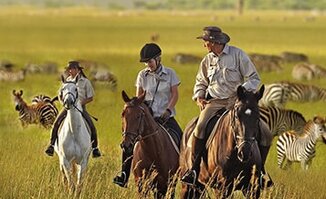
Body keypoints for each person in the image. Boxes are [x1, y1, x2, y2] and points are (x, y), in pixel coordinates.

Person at [180, 26, 273, 187]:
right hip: (214, 102)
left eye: (206, 42)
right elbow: (200, 82)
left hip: (236, 102)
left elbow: (254, 78)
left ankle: (261, 172)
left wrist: (242, 92)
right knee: (200, 127)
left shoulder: (238, 55)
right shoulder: (207, 60)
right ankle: (193, 170)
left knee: (265, 132)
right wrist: (199, 96)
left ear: (215, 42)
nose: (204, 45)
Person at [113, 43, 183, 187]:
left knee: (182, 140)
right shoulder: (142, 75)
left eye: (150, 61)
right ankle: (124, 174)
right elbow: (139, 97)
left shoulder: (170, 74)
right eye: (145, 62)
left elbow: (175, 95)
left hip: (165, 117)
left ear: (158, 59)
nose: (147, 65)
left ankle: (185, 172)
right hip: (147, 118)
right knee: (129, 141)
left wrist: (168, 110)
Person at [45, 61, 102, 158]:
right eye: (69, 69)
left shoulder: (85, 82)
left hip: (81, 108)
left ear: (77, 70)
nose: (70, 71)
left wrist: (80, 103)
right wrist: (62, 102)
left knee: (92, 126)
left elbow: (90, 97)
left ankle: (95, 148)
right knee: (56, 123)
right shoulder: (67, 80)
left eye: (71, 69)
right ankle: (51, 145)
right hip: (67, 107)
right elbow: (60, 94)